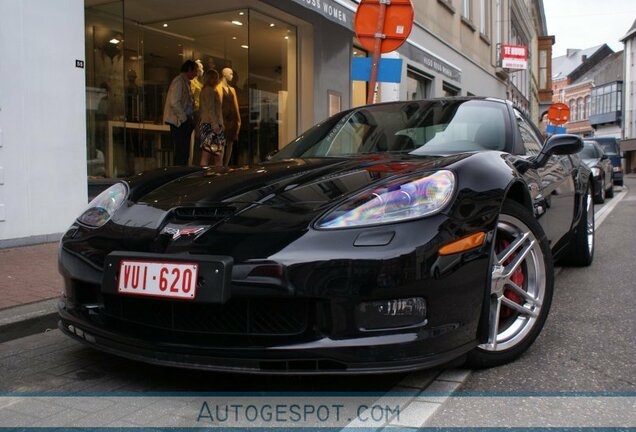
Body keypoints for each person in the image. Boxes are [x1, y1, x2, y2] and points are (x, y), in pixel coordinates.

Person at [163, 60, 197, 165]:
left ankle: (181, 172)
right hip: (179, 122)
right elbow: (174, 102)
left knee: (184, 151)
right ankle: (178, 174)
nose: (196, 73)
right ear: (189, 70)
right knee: (181, 151)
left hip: (184, 120)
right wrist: (184, 118)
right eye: (195, 70)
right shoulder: (179, 81)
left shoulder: (185, 82)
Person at [199, 69, 225, 167]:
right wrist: (216, 125)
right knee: (216, 155)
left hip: (207, 124)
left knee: (207, 153)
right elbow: (211, 109)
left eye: (216, 78)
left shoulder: (205, 91)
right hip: (212, 126)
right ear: (208, 79)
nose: (215, 80)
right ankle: (217, 177)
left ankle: (206, 176)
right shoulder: (209, 91)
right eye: (212, 78)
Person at [216, 67, 241, 166]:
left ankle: (226, 165)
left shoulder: (232, 89)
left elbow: (236, 106)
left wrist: (238, 121)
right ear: (224, 74)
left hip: (232, 119)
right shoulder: (217, 88)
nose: (232, 76)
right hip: (223, 118)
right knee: (222, 143)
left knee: (230, 142)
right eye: (230, 74)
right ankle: (220, 165)